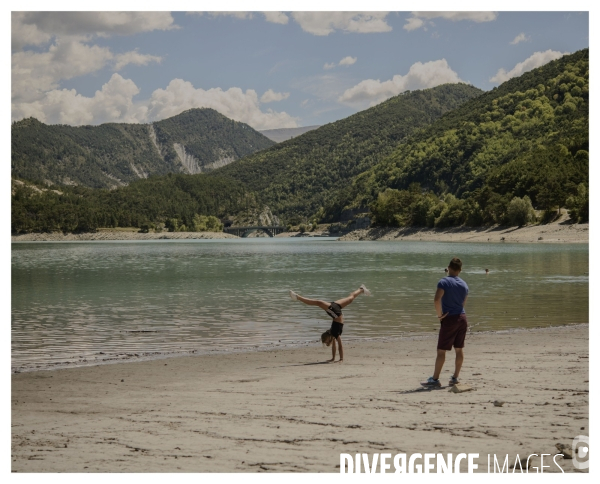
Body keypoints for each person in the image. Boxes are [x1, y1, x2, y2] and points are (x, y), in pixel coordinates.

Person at [289, 285, 371, 363]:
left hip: (335, 313)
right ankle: (361, 289)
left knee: (319, 302)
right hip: (336, 310)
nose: (326, 343)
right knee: (350, 298)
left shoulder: (334, 333)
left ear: (327, 337)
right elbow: (334, 346)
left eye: (325, 341)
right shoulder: (333, 335)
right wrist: (333, 358)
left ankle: (298, 297)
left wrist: (341, 359)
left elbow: (340, 345)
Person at [421, 258, 469, 387]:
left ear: (448, 268)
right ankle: (455, 378)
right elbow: (463, 303)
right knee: (459, 349)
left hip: (450, 319)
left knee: (441, 351)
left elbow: (437, 300)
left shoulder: (444, 282)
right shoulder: (464, 284)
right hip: (462, 317)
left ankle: (435, 380)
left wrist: (440, 316)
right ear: (460, 270)